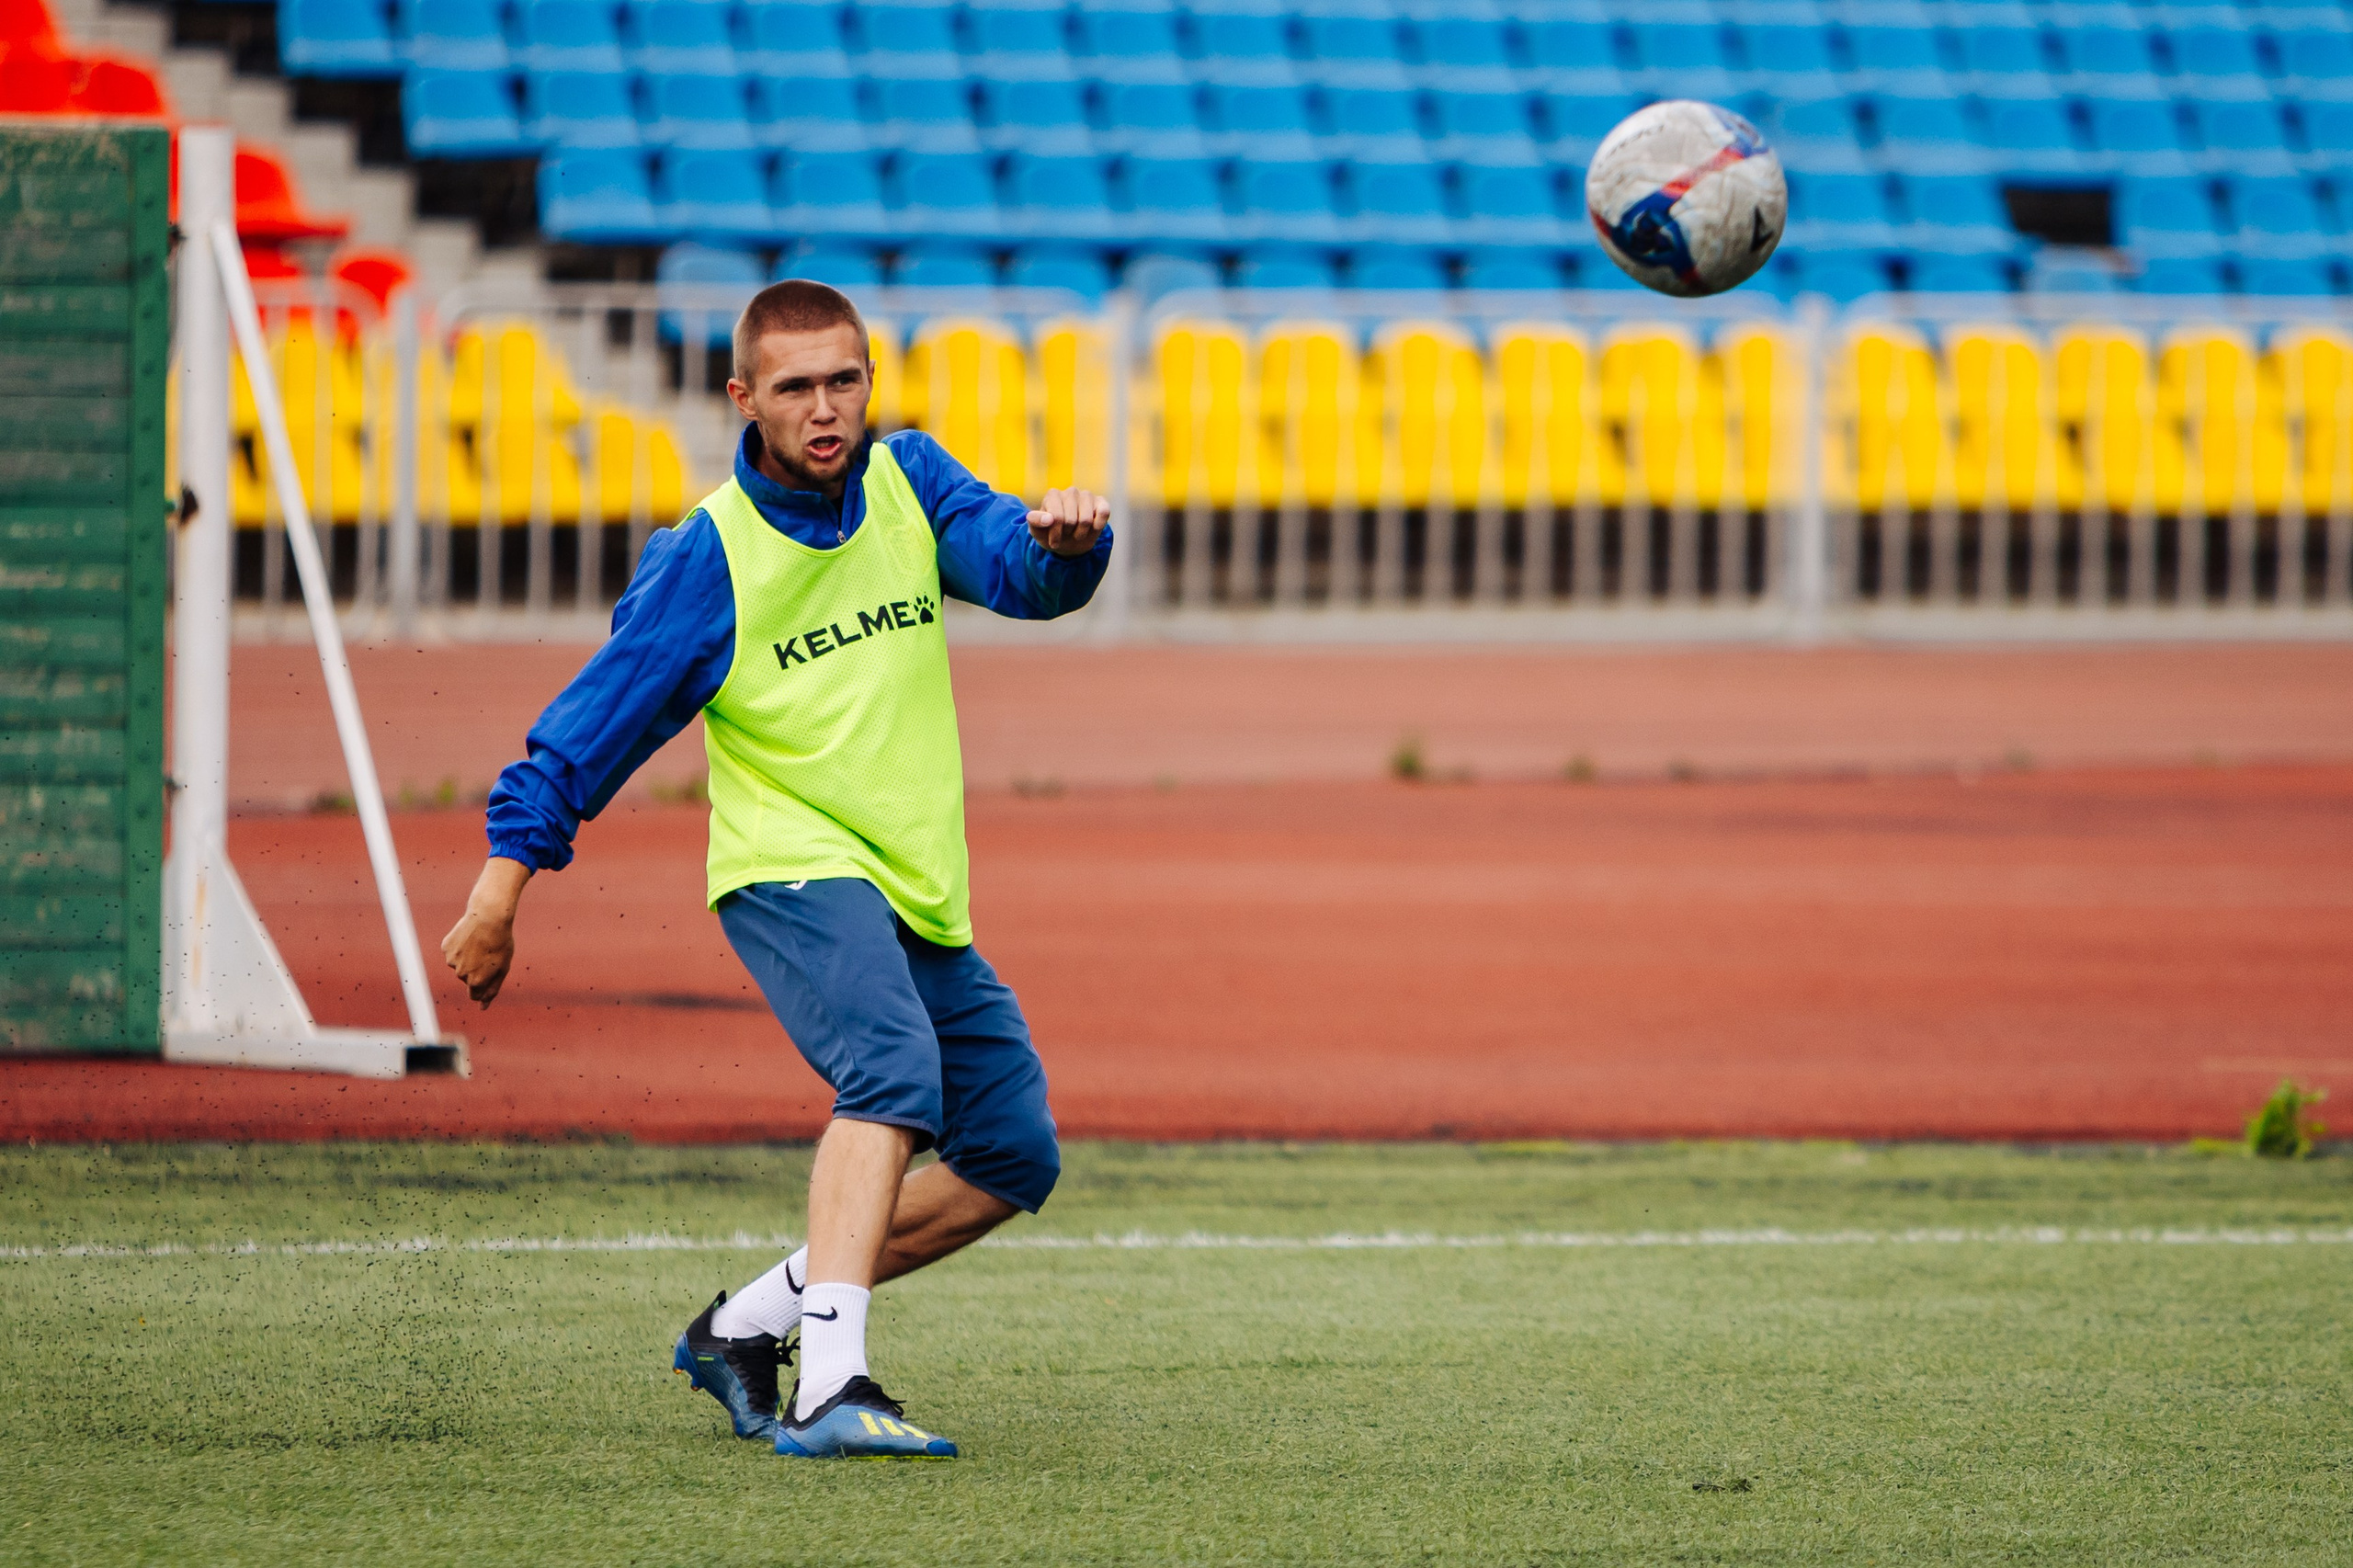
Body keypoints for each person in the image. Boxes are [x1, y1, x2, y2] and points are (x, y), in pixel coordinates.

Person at [439, 279, 1112, 1460]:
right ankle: (831, 1384)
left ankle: (745, 1326)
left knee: (1010, 1149)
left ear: (868, 382)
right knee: (894, 1072)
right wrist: (501, 889)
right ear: (742, 398)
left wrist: (1071, 545)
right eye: (794, 386)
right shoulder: (708, 555)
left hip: (913, 882)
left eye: (842, 380)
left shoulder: (913, 481)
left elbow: (1019, 569)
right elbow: (589, 729)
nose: (824, 407)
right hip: (788, 867)